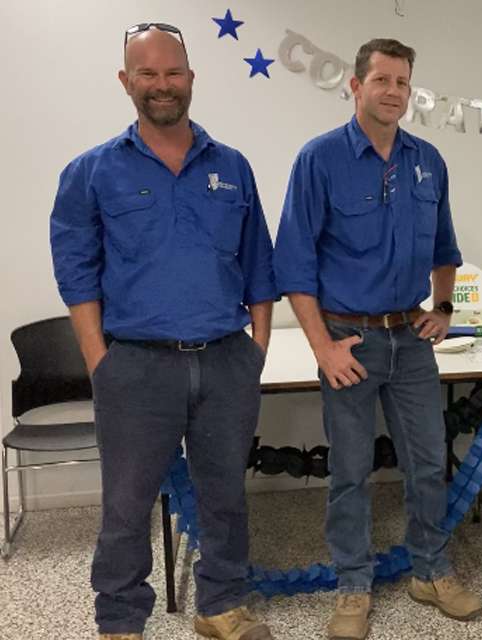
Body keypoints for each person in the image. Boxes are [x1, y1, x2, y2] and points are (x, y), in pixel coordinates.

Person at [49, 24, 276, 640]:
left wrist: (255, 350)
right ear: (126, 82)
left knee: (225, 494)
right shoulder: (92, 172)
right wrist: (101, 360)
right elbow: (77, 274)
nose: (162, 85)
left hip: (227, 361)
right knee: (126, 506)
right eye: (146, 74)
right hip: (136, 368)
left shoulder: (232, 167)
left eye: (172, 72)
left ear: (191, 79)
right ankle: (120, 621)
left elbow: (259, 265)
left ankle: (221, 606)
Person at [273, 38, 482, 640]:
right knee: (350, 470)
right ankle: (353, 586)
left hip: (410, 338)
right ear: (356, 86)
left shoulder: (428, 161)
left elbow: (445, 250)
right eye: (382, 80)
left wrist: (442, 307)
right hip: (348, 340)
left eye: (403, 82)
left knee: (426, 463)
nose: (393, 92)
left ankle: (431, 570)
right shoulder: (320, 159)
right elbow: (295, 265)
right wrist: (322, 347)